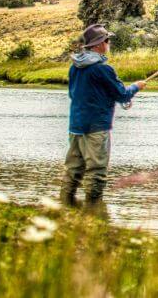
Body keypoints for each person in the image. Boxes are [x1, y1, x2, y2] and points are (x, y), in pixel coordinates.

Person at [60, 23, 146, 207]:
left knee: (73, 170)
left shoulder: (75, 67)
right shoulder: (103, 69)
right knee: (97, 171)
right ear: (99, 44)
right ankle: (94, 210)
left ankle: (64, 207)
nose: (108, 43)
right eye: (107, 40)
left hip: (75, 126)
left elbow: (72, 94)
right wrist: (136, 87)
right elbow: (122, 94)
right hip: (96, 128)